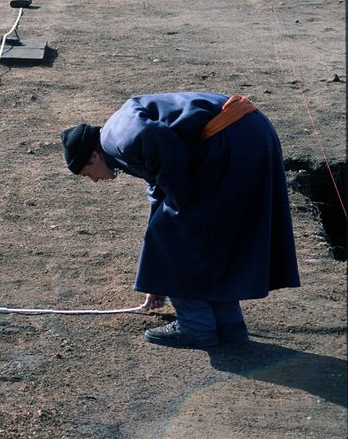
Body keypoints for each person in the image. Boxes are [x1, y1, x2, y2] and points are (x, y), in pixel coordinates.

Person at [60, 92, 300, 348]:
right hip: (249, 133)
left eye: (88, 174)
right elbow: (158, 196)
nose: (95, 180)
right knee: (210, 234)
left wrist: (182, 206)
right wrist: (156, 279)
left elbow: (156, 140)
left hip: (231, 138)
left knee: (179, 233)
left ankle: (196, 325)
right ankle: (227, 324)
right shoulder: (118, 142)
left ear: (94, 157)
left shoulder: (114, 137)